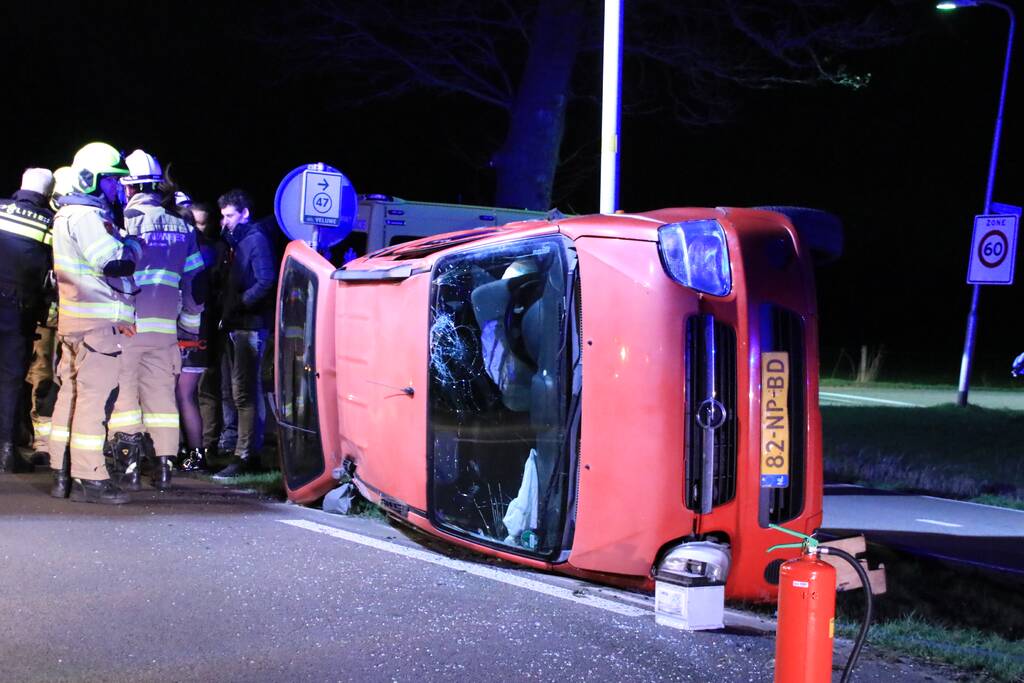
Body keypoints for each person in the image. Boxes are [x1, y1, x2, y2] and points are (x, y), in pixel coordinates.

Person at [48, 141, 141, 504]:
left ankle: (61, 472)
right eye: (111, 181)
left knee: (68, 399)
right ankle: (90, 477)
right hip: (98, 325)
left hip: (76, 323)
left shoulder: (66, 214)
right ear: (90, 179)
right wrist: (134, 245)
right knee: (92, 401)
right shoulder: (87, 217)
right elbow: (115, 263)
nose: (116, 188)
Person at [107, 150, 203, 491]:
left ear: (129, 188)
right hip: (166, 333)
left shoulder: (124, 224)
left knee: (126, 398)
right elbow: (196, 284)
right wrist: (189, 331)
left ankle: (130, 469)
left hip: (129, 327)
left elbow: (115, 273)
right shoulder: (183, 226)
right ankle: (164, 468)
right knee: (162, 401)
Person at [213, 189, 275, 479]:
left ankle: (245, 454)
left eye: (229, 216)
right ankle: (246, 451)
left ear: (244, 213)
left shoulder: (255, 239)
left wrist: (239, 304)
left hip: (249, 325)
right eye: (223, 216)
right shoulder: (237, 240)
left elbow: (265, 280)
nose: (224, 221)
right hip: (236, 324)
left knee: (245, 392)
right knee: (240, 391)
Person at [0, 168, 55, 473]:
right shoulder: (50, 223)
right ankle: (7, 451)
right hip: (16, 309)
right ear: (48, 194)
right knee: (9, 379)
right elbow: (52, 275)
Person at [24, 166, 76, 465]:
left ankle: (60, 439)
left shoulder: (75, 222)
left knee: (63, 378)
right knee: (42, 377)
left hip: (70, 315)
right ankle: (44, 443)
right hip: (49, 316)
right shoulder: (47, 224)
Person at [184, 200, 226, 466]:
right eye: (194, 223)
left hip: (202, 328)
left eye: (201, 223)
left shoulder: (212, 250)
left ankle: (204, 447)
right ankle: (194, 449)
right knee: (190, 393)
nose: (198, 229)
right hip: (194, 327)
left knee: (202, 391)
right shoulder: (200, 249)